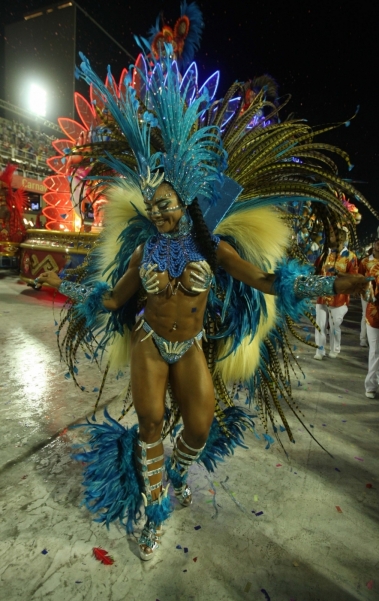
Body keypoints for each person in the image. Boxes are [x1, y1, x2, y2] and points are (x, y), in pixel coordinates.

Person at [36, 50, 371, 561]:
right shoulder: (145, 248)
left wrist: (316, 285)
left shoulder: (212, 249)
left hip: (188, 344)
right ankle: (154, 511)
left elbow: (263, 280)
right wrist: (77, 291)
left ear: (184, 196)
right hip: (150, 343)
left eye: (164, 205)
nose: (157, 213)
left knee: (198, 425)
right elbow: (113, 297)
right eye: (151, 207)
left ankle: (174, 472)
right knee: (149, 423)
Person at [313, 229, 358, 360]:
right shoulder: (324, 255)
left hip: (339, 298)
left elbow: (353, 277)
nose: (329, 238)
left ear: (341, 239)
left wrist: (339, 274)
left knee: (335, 326)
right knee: (319, 325)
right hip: (322, 296)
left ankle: (335, 348)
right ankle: (319, 350)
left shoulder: (350, 257)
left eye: (332, 236)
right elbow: (316, 271)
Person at [359, 238, 379, 397]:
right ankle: (371, 386)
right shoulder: (374, 269)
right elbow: (369, 293)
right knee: (376, 351)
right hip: (375, 316)